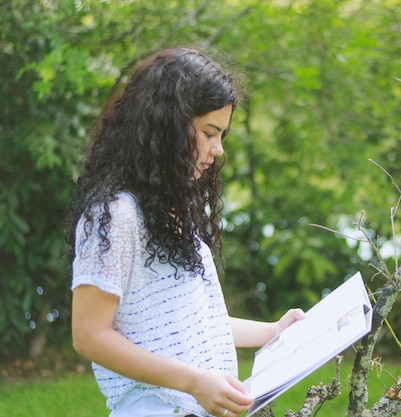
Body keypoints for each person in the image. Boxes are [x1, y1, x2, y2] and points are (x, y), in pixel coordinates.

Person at [66, 46, 304, 417]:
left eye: (222, 134)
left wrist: (273, 332)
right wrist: (193, 382)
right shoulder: (117, 214)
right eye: (210, 133)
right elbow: (89, 335)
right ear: (168, 125)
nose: (219, 149)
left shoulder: (170, 211)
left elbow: (192, 325)